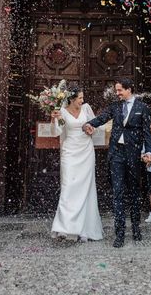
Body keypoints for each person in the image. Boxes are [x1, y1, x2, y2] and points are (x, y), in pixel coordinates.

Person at [83, 78, 151, 248]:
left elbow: (147, 133)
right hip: (116, 155)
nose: (117, 93)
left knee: (135, 192)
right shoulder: (114, 107)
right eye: (117, 90)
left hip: (134, 155)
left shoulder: (142, 108)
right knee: (118, 193)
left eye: (120, 90)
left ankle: (136, 228)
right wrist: (87, 124)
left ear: (129, 89)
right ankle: (119, 233)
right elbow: (102, 118)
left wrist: (148, 151)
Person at [49, 86, 103, 242]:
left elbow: (97, 127)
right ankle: (65, 227)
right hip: (70, 152)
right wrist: (53, 119)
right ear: (72, 99)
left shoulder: (86, 109)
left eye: (82, 97)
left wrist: (92, 130)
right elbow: (56, 132)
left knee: (85, 189)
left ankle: (83, 228)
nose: (82, 100)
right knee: (68, 188)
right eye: (80, 98)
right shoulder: (62, 111)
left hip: (86, 151)